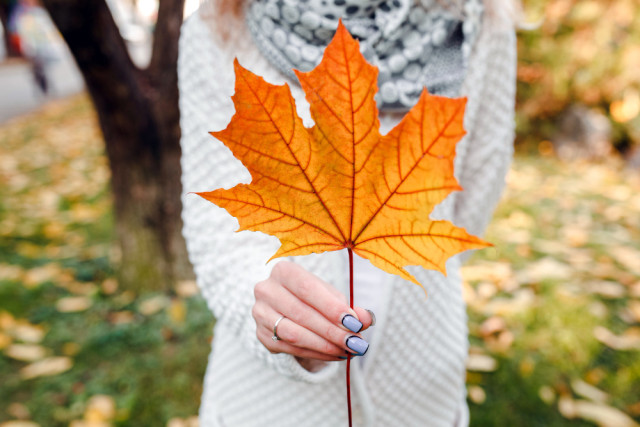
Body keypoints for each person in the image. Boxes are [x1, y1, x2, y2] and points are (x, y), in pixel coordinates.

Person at [178, 0, 517, 425]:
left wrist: (402, 240)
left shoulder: (478, 22)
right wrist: (265, 311)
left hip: (420, 384)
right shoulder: (220, 24)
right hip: (268, 400)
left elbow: (468, 211)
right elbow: (217, 231)